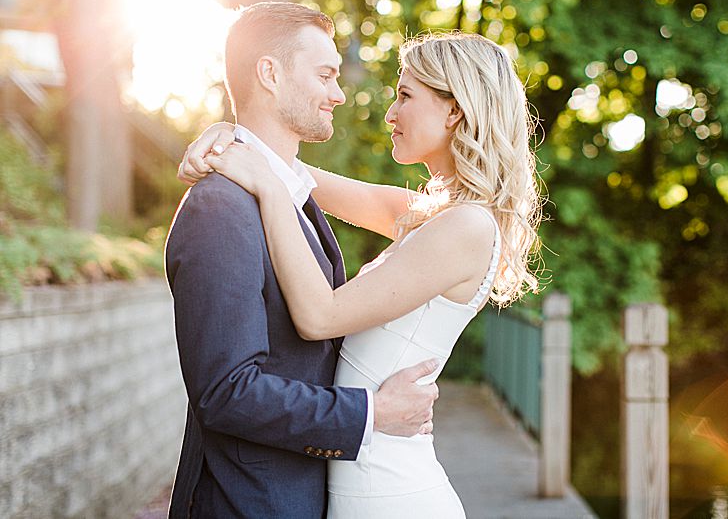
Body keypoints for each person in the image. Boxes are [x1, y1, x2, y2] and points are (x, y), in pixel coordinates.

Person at [178, 29, 542, 517]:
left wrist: (264, 186)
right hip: (363, 477)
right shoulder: (431, 215)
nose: (390, 113)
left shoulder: (466, 229)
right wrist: (228, 135)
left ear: (454, 111)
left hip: (389, 492)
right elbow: (298, 174)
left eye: (405, 96)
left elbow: (320, 317)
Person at [165, 2, 441, 518]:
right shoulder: (220, 208)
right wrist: (371, 414)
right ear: (269, 73)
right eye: (325, 75)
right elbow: (227, 392)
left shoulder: (287, 192)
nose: (339, 94)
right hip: (247, 503)